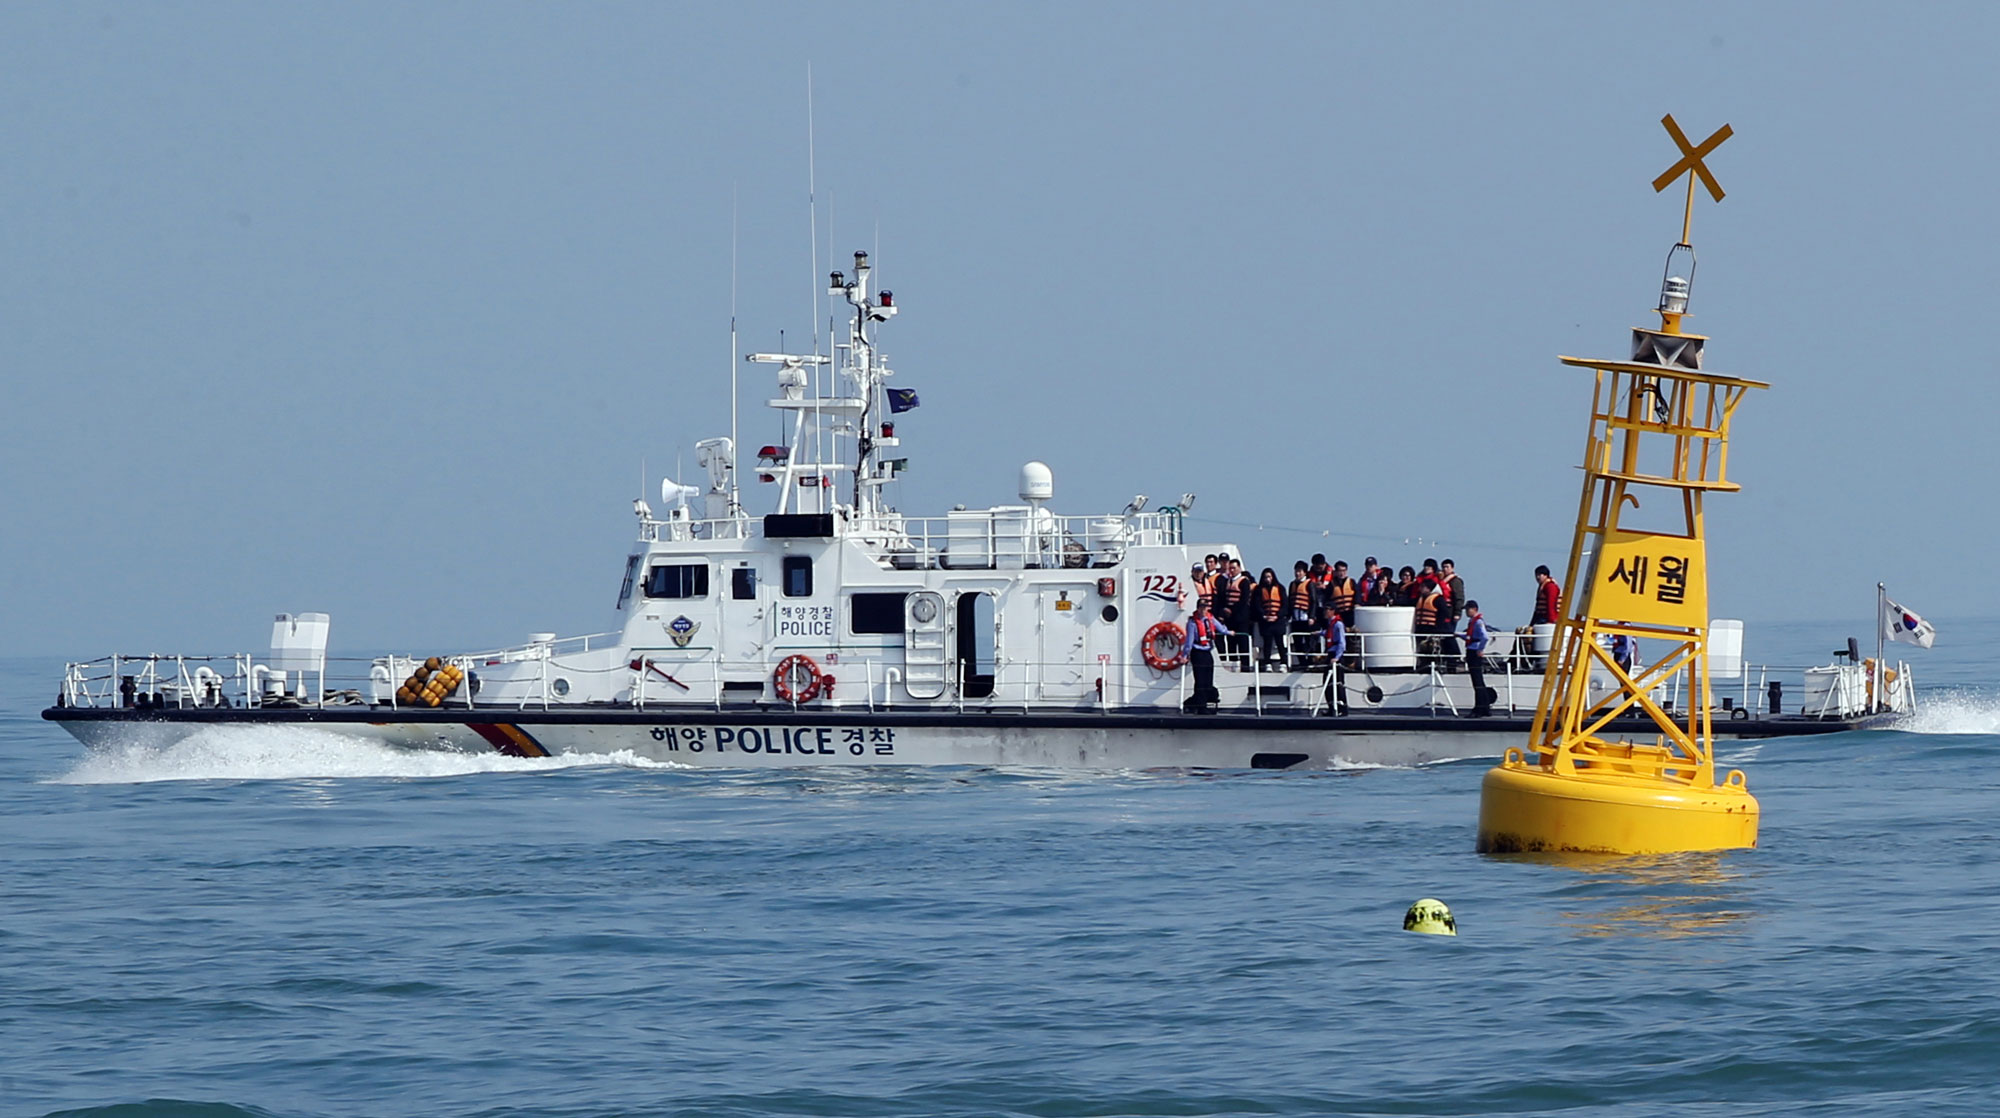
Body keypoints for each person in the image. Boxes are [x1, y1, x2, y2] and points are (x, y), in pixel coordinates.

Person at [1181, 602, 1230, 713]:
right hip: (1197, 653)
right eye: (1202, 608)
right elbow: (1189, 641)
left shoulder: (1210, 619)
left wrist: (1229, 632)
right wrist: (1185, 655)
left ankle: (1197, 702)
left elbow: (1221, 629)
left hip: (1207, 652)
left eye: (1205, 608)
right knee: (1200, 681)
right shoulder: (1192, 623)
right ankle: (1201, 707)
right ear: (1198, 608)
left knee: (1208, 679)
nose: (1204, 610)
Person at [1287, 560, 1320, 667]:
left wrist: (1312, 616)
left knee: (1309, 640)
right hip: (1296, 618)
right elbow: (1290, 601)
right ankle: (1302, 662)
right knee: (1297, 641)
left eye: (1300, 571)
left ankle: (1310, 661)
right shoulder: (1292, 584)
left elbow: (1314, 601)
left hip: (1306, 618)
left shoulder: (1310, 584)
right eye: (1296, 571)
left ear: (1305, 572)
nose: (1297, 573)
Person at [1463, 600, 1492, 716]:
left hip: (1474, 652)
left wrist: (1480, 649)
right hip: (1472, 650)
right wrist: (1459, 635)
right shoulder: (1473, 622)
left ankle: (1479, 708)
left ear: (1474, 609)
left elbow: (1485, 637)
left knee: (1477, 681)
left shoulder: (1478, 622)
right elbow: (1470, 636)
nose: (1466, 612)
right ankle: (1484, 707)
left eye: (1467, 609)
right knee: (1478, 681)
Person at [1254, 567, 1288, 667]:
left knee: (1280, 643)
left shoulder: (1280, 588)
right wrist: (1263, 615)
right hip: (1265, 621)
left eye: (1269, 577)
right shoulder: (1259, 590)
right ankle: (1267, 662)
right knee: (1267, 643)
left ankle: (1284, 663)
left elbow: (1285, 605)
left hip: (1278, 621)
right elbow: (1257, 604)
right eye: (1265, 577)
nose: (1267, 579)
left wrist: (1277, 616)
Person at [1321, 607, 1349, 715]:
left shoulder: (1338, 624)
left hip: (1336, 655)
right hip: (1330, 654)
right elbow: (1328, 634)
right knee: (1328, 683)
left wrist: (1337, 657)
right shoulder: (1330, 624)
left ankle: (1342, 709)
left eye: (1327, 610)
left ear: (1332, 611)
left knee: (1338, 683)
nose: (1325, 612)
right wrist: (1318, 633)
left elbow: (1342, 642)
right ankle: (1332, 707)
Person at [1324, 560, 1358, 627]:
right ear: (1336, 572)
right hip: (1338, 614)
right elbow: (1327, 599)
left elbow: (1357, 595)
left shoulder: (1351, 582)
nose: (1342, 573)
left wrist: (1357, 603)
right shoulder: (1331, 584)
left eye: (1344, 571)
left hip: (1350, 613)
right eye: (1340, 571)